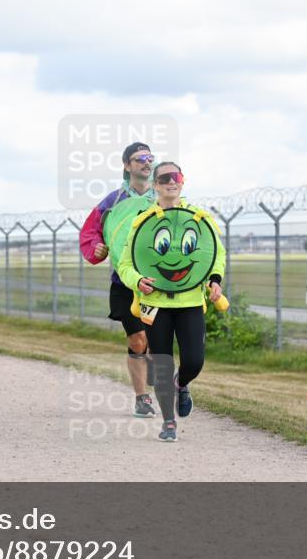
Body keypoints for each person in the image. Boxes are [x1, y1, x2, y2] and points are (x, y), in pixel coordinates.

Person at [116, 162, 226, 442]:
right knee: (162, 362)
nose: (170, 182)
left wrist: (215, 279)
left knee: (194, 360)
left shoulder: (199, 218)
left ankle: (182, 383)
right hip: (155, 303)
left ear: (182, 181)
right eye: (163, 178)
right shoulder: (143, 221)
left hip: (189, 301)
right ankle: (168, 423)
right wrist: (137, 281)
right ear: (155, 184)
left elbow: (215, 254)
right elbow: (126, 264)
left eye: (175, 177)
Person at [79, 141, 157, 418]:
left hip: (158, 284)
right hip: (124, 283)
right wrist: (97, 248)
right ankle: (142, 397)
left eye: (149, 158)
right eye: (139, 159)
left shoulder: (163, 198)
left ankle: (153, 367)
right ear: (127, 166)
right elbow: (91, 232)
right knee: (137, 339)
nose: (146, 163)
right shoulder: (113, 202)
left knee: (155, 341)